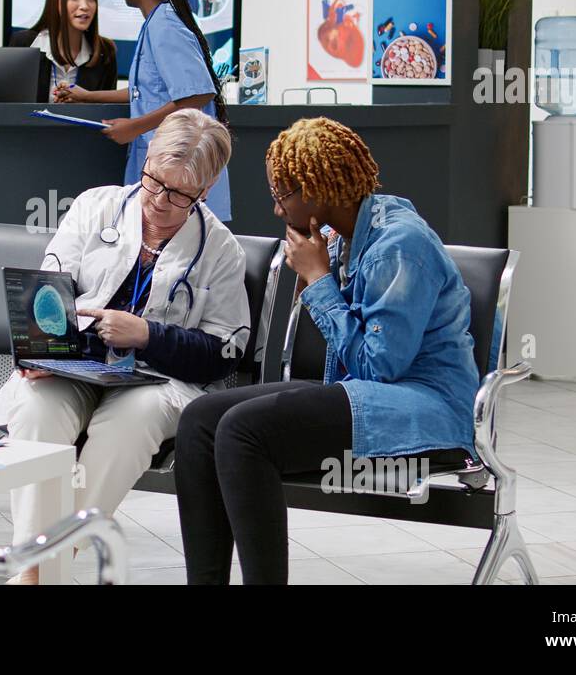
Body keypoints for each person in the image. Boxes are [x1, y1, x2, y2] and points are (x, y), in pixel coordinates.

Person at [174, 117, 480, 585]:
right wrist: (323, 272)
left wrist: (319, 281)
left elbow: (380, 368)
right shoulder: (351, 235)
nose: (277, 209)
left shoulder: (400, 245)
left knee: (243, 431)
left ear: (315, 190)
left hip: (428, 407)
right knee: (200, 420)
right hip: (371, 394)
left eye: (282, 195)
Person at [0, 109, 249, 584]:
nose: (159, 201)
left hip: (157, 383)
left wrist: (147, 335)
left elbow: (222, 353)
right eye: (153, 181)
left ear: (205, 192)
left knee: (129, 425)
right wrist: (40, 351)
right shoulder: (96, 207)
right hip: (74, 367)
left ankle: (34, 573)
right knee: (34, 408)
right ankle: (40, 574)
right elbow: (48, 288)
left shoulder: (222, 251)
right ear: (145, 161)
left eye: (179, 194)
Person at [55, 0, 233, 221]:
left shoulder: (164, 24)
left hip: (179, 175)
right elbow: (145, 92)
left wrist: (134, 128)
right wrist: (86, 95)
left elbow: (197, 95)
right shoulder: (156, 22)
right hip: (169, 173)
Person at [8, 0, 117, 102]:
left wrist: (83, 106)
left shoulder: (105, 51)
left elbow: (108, 111)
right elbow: (10, 104)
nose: (85, 6)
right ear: (56, 1)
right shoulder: (24, 43)